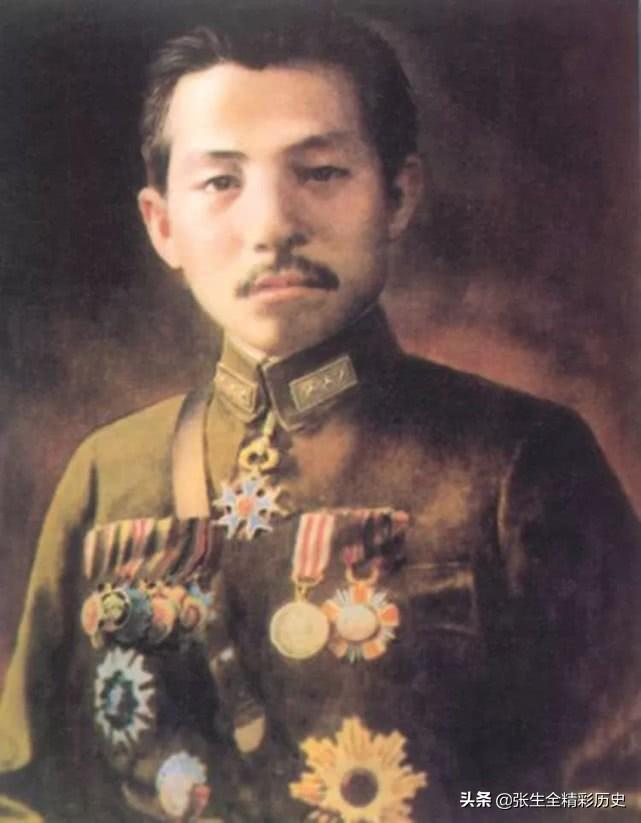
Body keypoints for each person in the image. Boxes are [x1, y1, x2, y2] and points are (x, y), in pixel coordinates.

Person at [0, 5, 639, 821]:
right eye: (221, 182)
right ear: (162, 226)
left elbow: (613, 789)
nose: (272, 226)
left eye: (321, 172)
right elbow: (23, 789)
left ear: (397, 195)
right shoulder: (107, 471)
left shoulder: (517, 461)